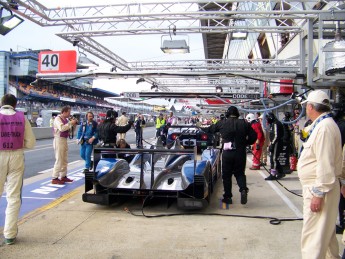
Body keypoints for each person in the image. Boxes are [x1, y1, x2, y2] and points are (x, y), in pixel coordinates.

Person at [297, 90, 343, 259]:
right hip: (322, 188)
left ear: (310, 107)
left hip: (319, 189)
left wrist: (318, 193)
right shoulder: (323, 125)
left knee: (313, 239)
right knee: (326, 236)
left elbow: (325, 164)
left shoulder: (324, 128)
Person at [0, 94, 36, 245]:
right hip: (16, 156)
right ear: (15, 105)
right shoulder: (22, 118)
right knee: (13, 197)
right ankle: (9, 234)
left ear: (2, 104)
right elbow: (31, 143)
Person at [203, 106, 257, 205]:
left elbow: (210, 129)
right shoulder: (245, 123)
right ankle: (243, 189)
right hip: (240, 152)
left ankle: (228, 197)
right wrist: (246, 143)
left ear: (227, 114)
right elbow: (254, 136)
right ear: (237, 114)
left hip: (227, 153)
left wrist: (200, 128)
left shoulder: (222, 122)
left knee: (226, 175)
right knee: (240, 173)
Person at [51, 106, 78, 184]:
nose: (70, 114)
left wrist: (74, 125)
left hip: (64, 139)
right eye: (69, 112)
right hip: (58, 140)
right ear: (64, 112)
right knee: (59, 159)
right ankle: (55, 177)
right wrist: (70, 123)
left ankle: (63, 176)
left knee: (64, 159)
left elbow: (69, 131)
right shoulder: (58, 119)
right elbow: (62, 128)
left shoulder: (66, 120)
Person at [265, 112, 285, 180]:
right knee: (273, 158)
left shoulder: (276, 123)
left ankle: (273, 174)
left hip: (277, 143)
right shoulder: (273, 124)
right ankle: (281, 172)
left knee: (274, 159)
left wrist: (272, 144)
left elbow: (276, 135)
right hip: (274, 142)